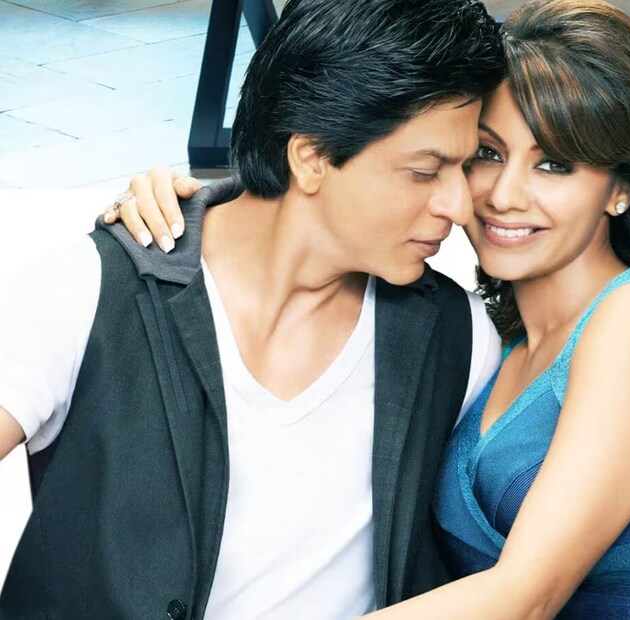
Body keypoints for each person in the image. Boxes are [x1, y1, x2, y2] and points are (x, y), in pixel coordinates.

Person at [123, 0, 630, 617]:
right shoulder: (485, 347)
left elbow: (524, 597)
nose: (504, 196)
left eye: (554, 165)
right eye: (487, 155)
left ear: (621, 189)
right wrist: (204, 213)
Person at [0, 1, 505, 618]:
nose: (458, 205)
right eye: (425, 172)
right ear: (311, 157)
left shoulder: (459, 338)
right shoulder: (88, 290)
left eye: (466, 166)